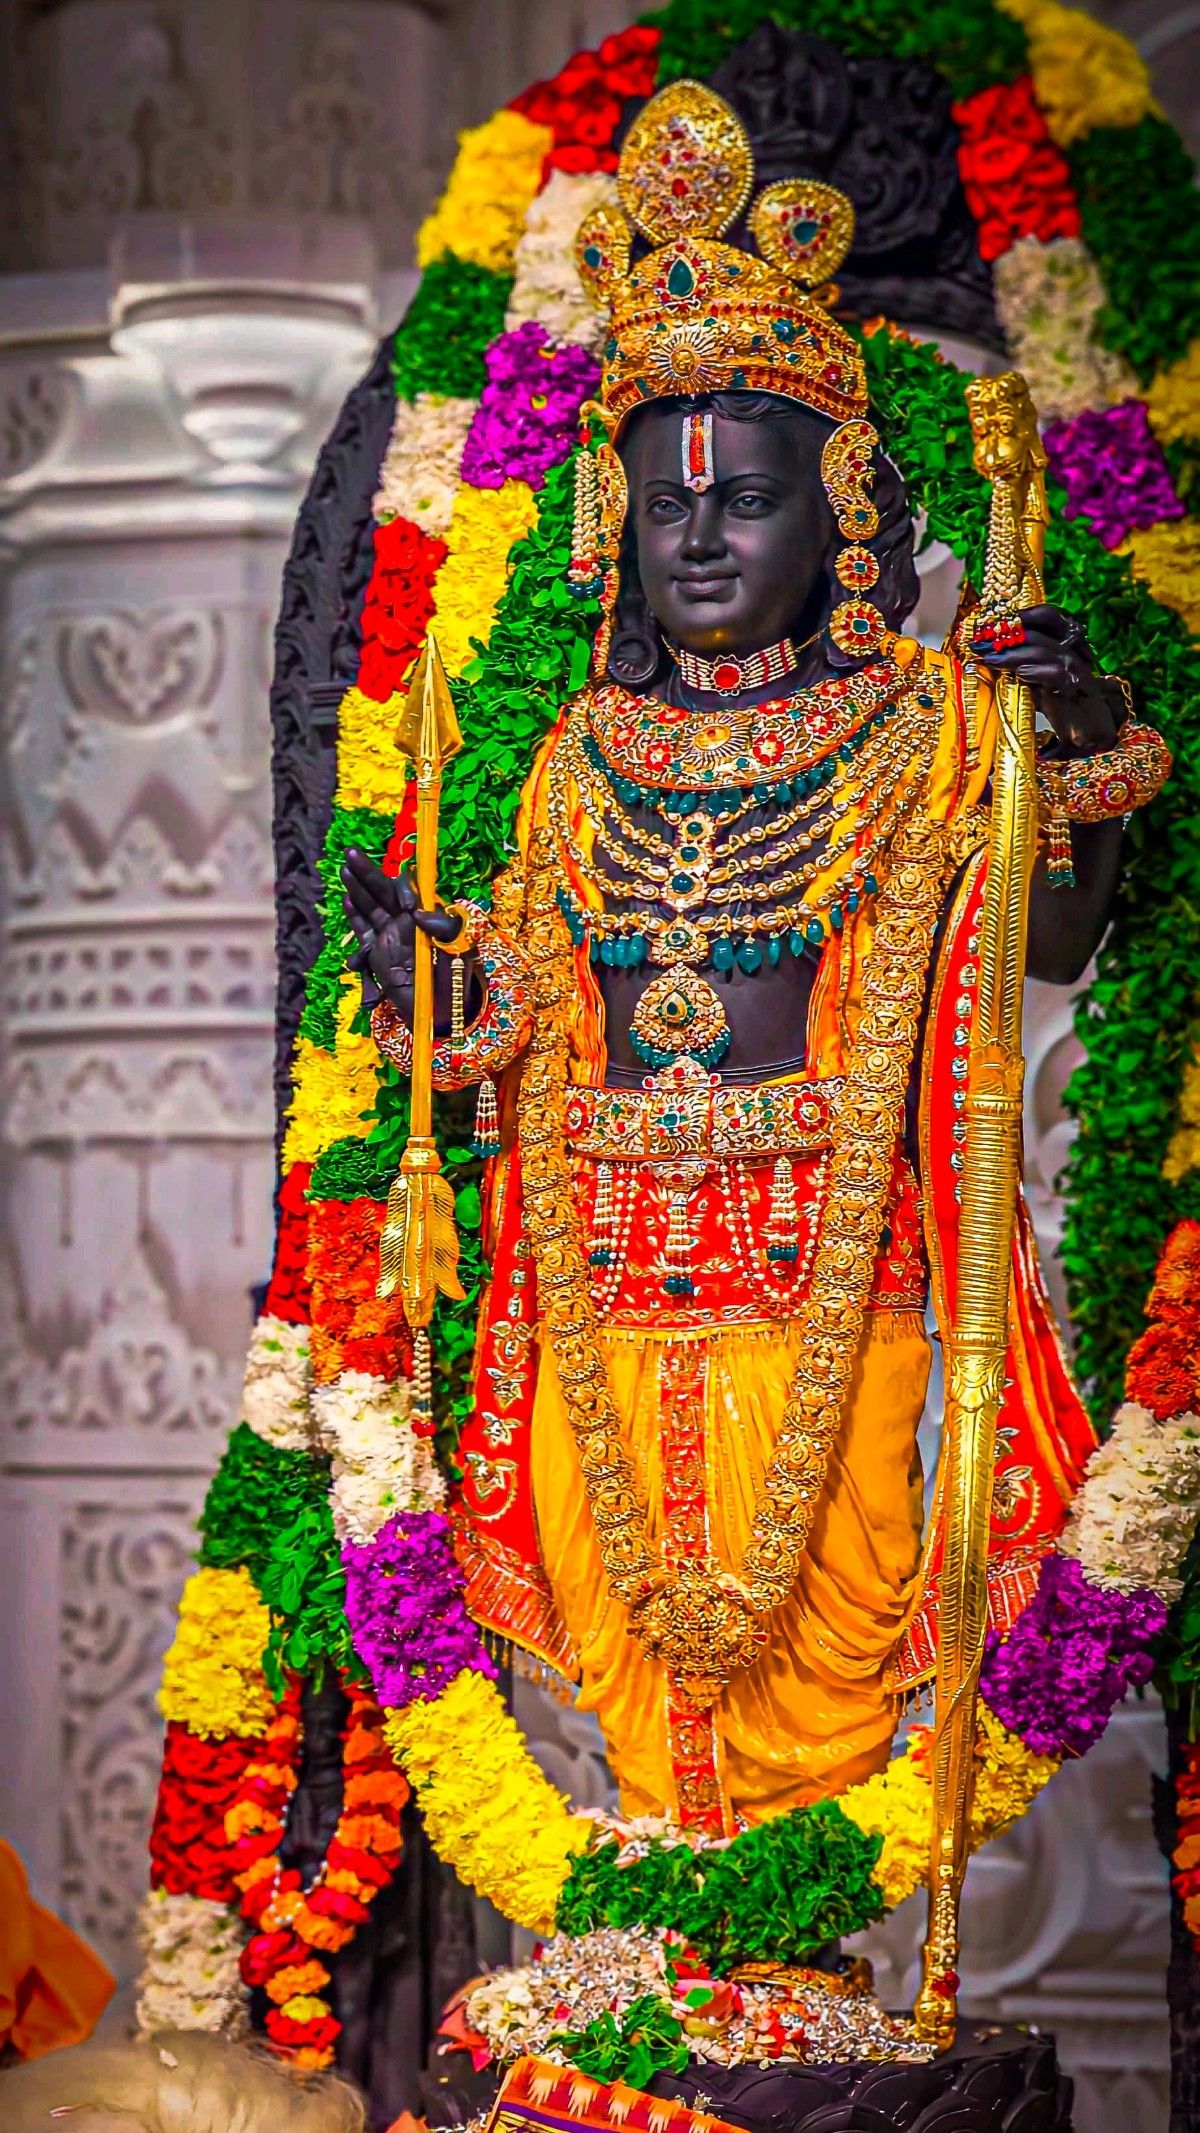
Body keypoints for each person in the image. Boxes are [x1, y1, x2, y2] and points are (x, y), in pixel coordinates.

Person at [340, 84, 1169, 1836]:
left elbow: (1062, 932)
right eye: (665, 509)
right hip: (606, 1277)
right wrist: (433, 991)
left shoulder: (927, 722)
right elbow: (527, 1024)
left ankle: (795, 1966)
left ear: (842, 511)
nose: (701, 538)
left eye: (751, 502)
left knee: (828, 1637)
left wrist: (1064, 732)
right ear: (614, 528)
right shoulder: (577, 758)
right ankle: (681, 1934)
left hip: (830, 1272)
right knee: (636, 1646)